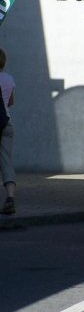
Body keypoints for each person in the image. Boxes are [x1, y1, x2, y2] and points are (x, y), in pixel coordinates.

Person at [0, 48, 16, 215]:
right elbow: (11, 101)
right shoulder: (9, 79)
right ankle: (10, 198)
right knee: (6, 160)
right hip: (7, 123)